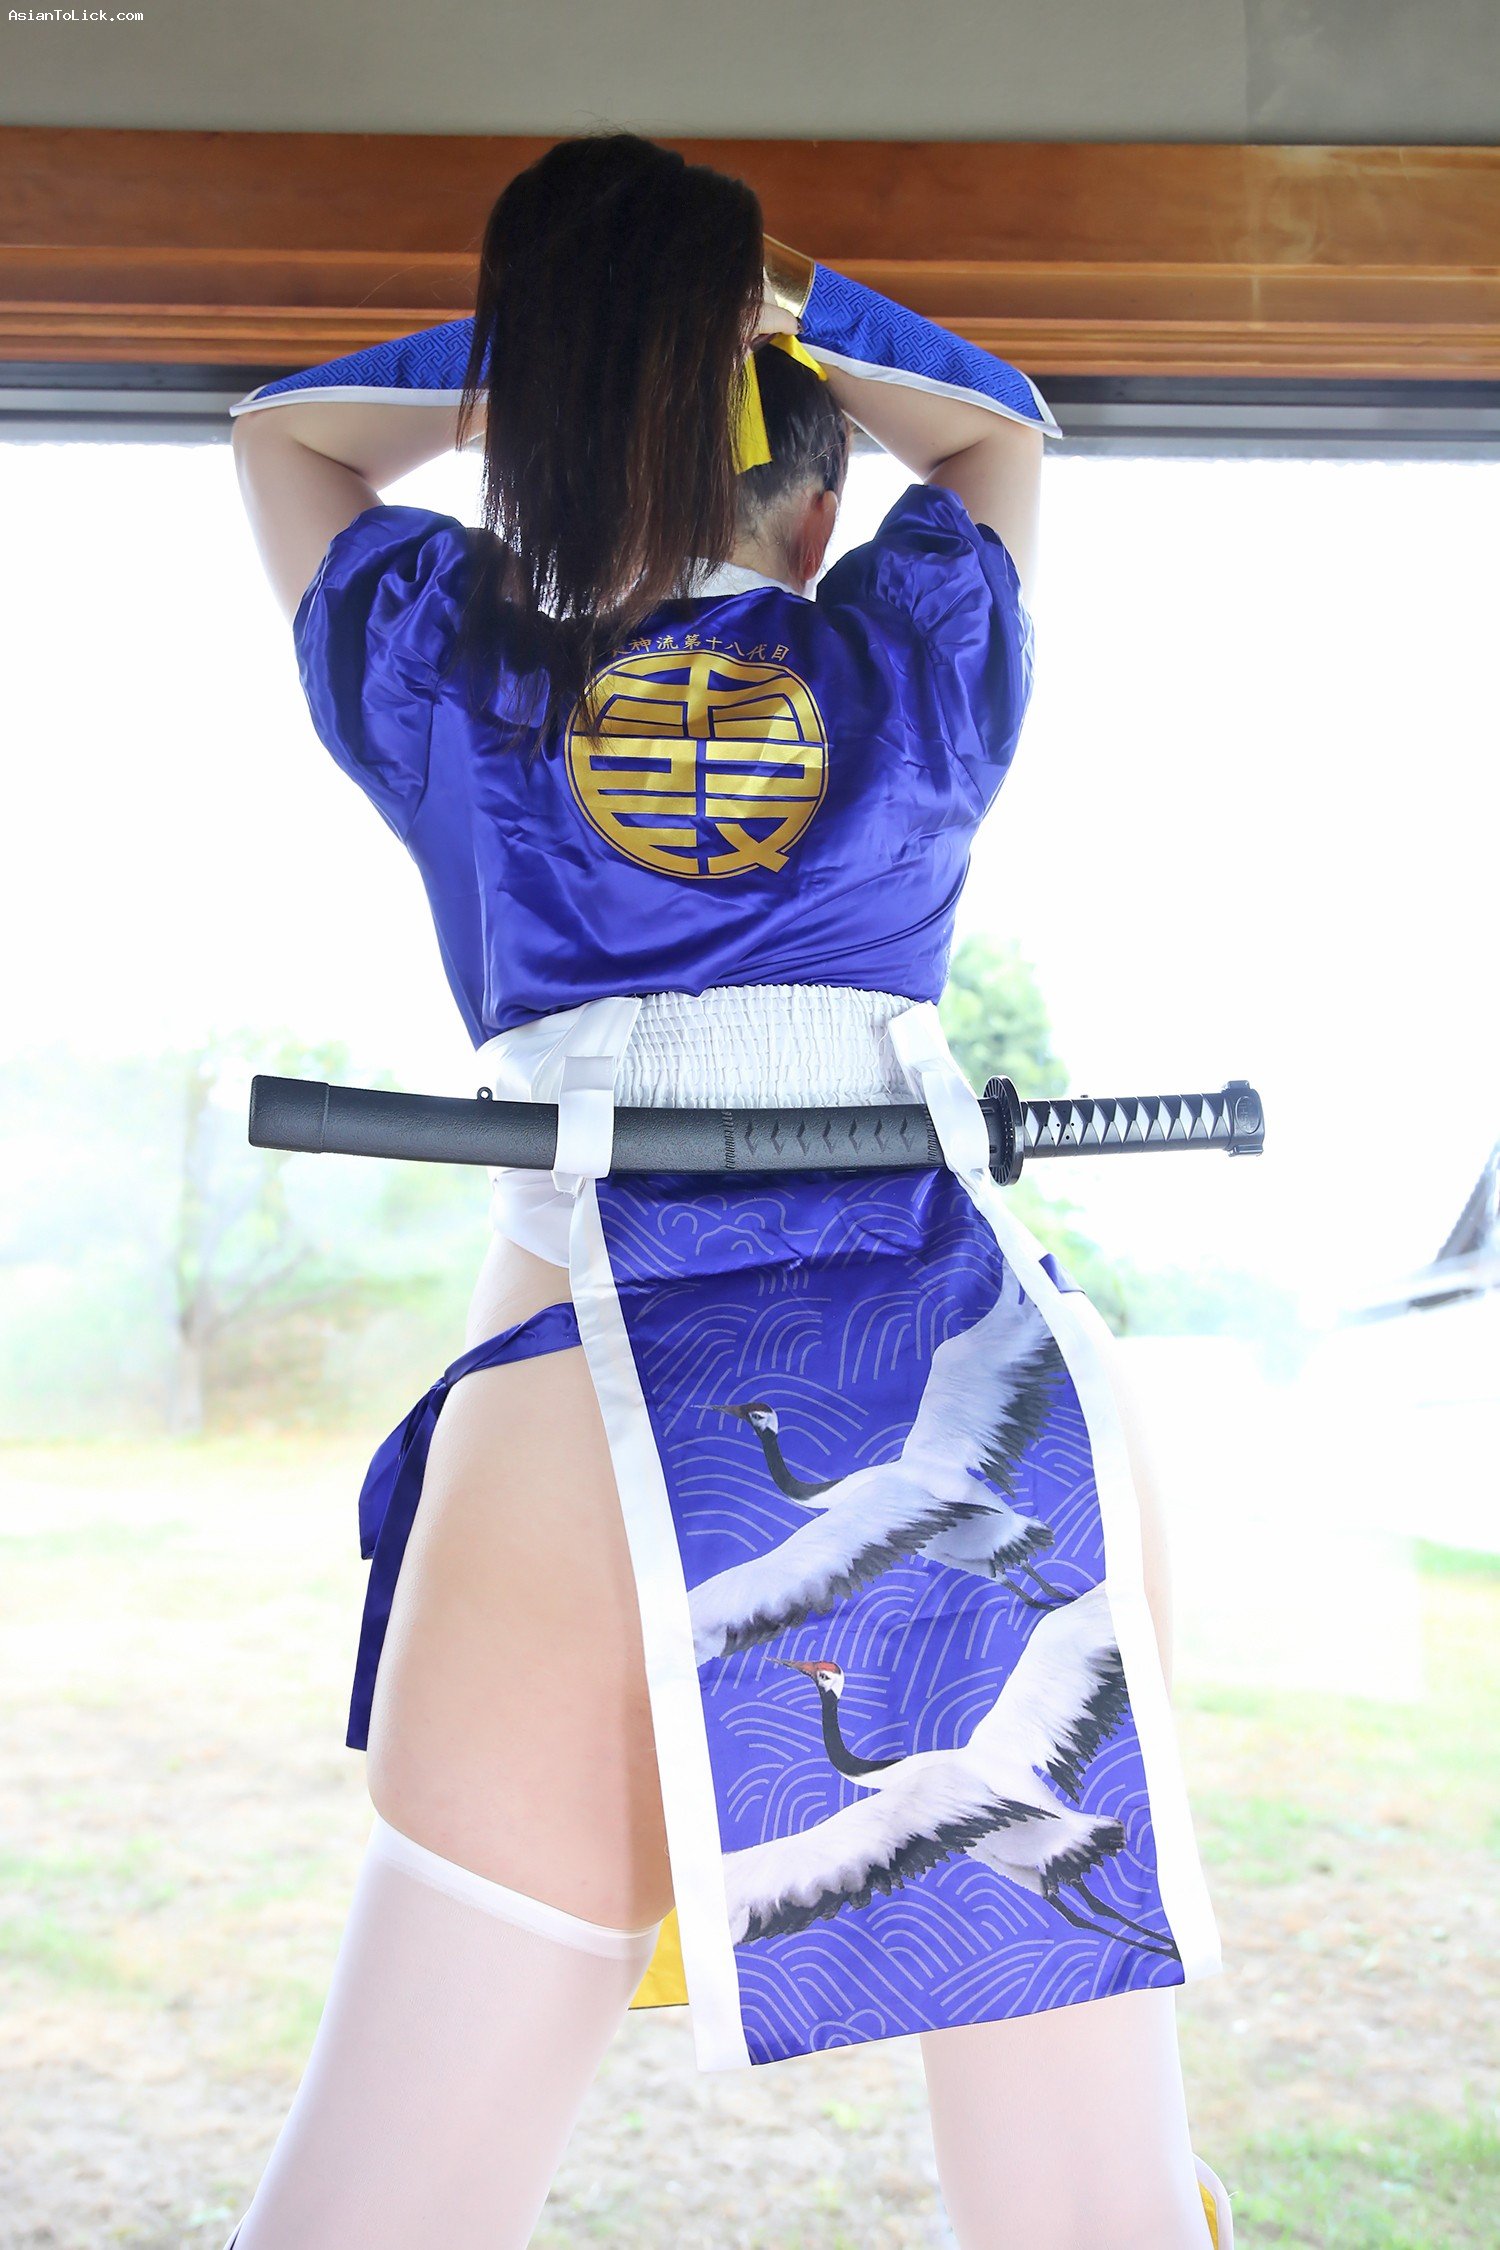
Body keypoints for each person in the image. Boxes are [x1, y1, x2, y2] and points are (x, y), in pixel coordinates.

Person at [226, 129, 1232, 2249]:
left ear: (537, 449)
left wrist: (567, 371)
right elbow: (999, 427)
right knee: (1092, 2212)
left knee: (386, 2207)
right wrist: (777, 316)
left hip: (584, 1411)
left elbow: (283, 437)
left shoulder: (450, 669)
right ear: (822, 506)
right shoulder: (916, 661)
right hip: (978, 1410)